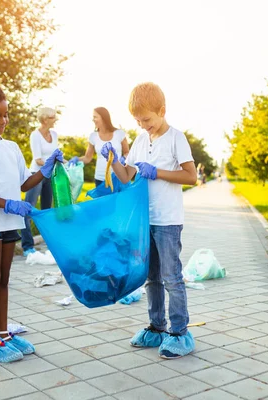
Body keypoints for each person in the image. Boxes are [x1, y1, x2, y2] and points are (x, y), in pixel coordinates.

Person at [0, 82, 64, 363]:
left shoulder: (13, 148)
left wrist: (45, 170)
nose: (2, 121)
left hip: (9, 224)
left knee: (4, 280)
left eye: (5, 115)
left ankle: (3, 334)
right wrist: (7, 203)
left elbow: (25, 182)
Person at [101, 82, 197, 359]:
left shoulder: (176, 138)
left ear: (162, 111)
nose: (143, 125)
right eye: (138, 121)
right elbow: (125, 175)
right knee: (151, 278)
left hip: (168, 220)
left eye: (147, 119)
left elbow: (191, 176)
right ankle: (156, 327)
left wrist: (159, 172)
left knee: (171, 277)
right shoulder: (142, 140)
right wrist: (113, 159)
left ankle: (179, 332)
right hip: (146, 220)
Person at [20, 106, 59, 257]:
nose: (55, 119)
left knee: (46, 211)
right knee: (28, 210)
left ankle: (48, 243)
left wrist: (65, 162)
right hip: (36, 174)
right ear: (44, 119)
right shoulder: (35, 135)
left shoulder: (54, 134)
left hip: (49, 175)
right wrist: (54, 162)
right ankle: (27, 246)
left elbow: (55, 154)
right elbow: (38, 159)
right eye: (52, 117)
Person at [71, 107, 129, 187]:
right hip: (100, 179)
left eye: (95, 117)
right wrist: (77, 159)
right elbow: (88, 158)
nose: (93, 119)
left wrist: (124, 159)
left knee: (118, 200)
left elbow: (127, 153)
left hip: (118, 177)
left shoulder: (119, 133)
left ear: (103, 117)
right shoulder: (93, 136)